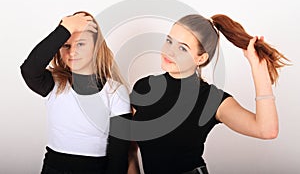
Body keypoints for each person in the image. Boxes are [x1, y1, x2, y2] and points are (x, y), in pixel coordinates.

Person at [130, 14, 289, 174]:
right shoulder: (143, 87)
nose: (169, 51)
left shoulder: (211, 99)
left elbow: (266, 130)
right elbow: (130, 147)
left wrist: (259, 68)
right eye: (169, 40)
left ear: (201, 58)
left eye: (182, 48)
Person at [20, 12, 132, 174]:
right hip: (54, 167)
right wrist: (65, 28)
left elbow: (118, 155)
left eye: (80, 44)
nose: (72, 52)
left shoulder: (115, 91)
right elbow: (29, 69)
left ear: (96, 46)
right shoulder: (54, 83)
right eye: (66, 45)